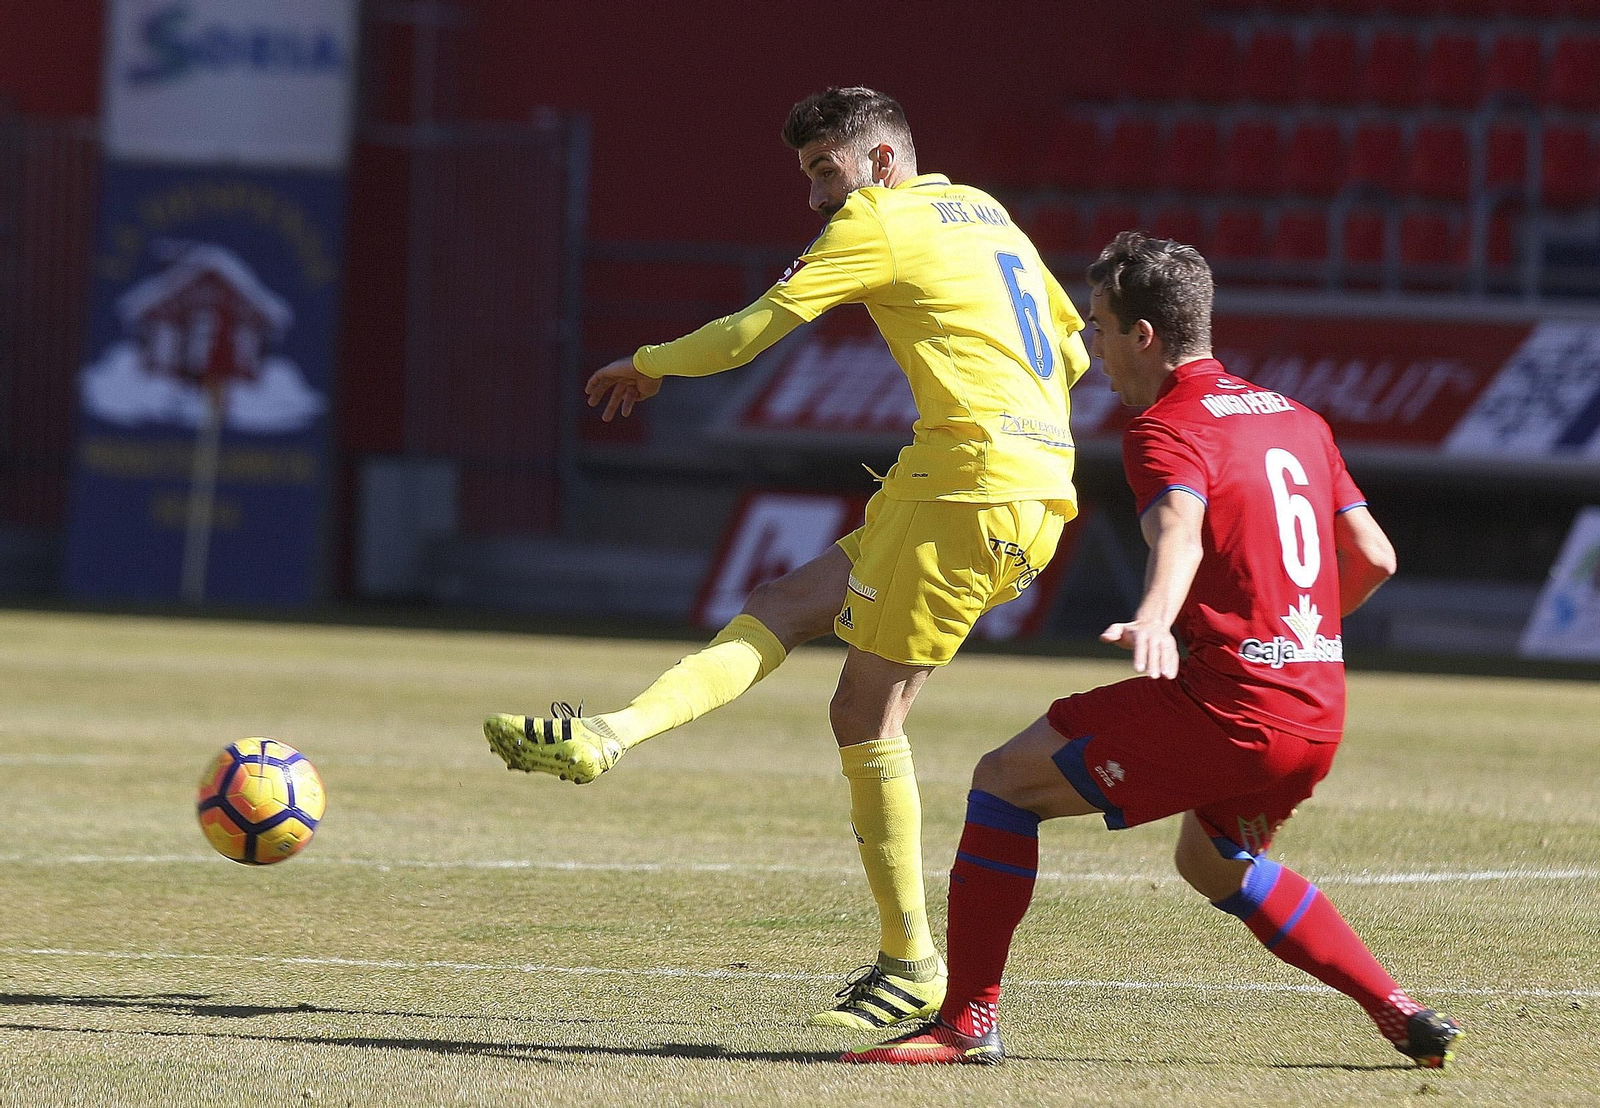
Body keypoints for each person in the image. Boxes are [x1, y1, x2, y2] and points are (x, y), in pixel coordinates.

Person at [484, 86, 1091, 1029]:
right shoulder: (985, 210)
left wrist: (647, 360)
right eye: (808, 174)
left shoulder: (880, 217)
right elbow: (1071, 348)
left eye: (826, 170)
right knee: (786, 601)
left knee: (866, 710)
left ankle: (912, 962)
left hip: (973, 485)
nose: (816, 196)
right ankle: (609, 734)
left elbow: (752, 332)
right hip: (968, 475)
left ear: (881, 158)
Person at [842, 232, 1462, 1067]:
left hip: (1228, 705)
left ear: (1145, 336)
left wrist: (1157, 616)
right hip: (1315, 708)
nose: (1093, 349)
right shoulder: (1297, 418)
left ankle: (966, 1022)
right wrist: (1298, 636)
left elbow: (1179, 529)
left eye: (1099, 327)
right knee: (1213, 862)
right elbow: (1376, 558)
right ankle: (1398, 1010)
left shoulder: (1163, 426)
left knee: (1002, 782)